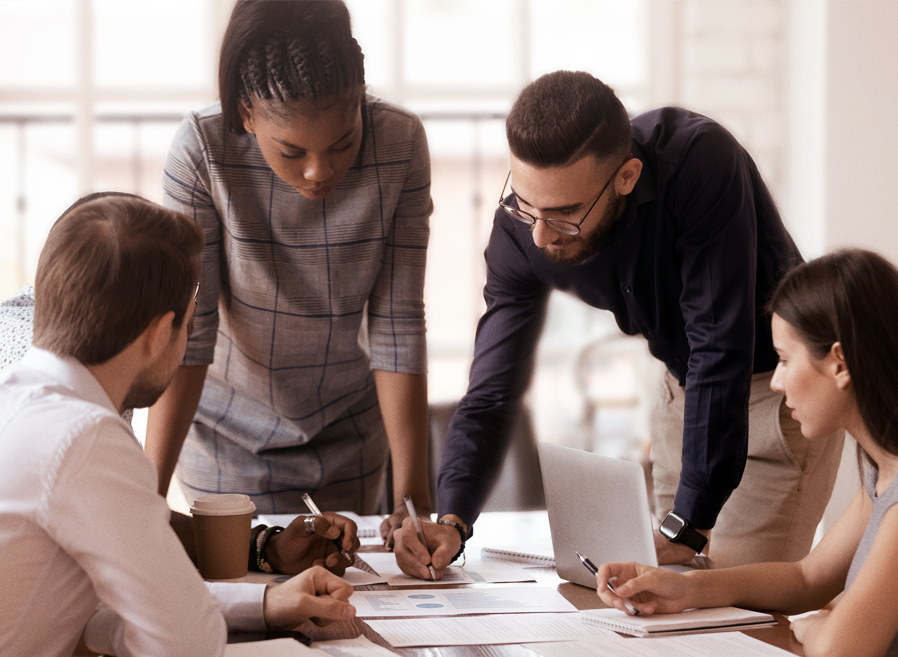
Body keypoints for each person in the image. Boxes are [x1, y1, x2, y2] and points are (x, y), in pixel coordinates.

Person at [394, 70, 844, 579]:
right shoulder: (520, 231)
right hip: (683, 392)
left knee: (739, 603)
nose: (540, 236)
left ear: (626, 177)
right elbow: (491, 390)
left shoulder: (699, 161)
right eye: (525, 203)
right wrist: (453, 520)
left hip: (777, 395)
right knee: (671, 601)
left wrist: (687, 526)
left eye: (564, 213)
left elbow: (719, 345)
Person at [0, 193, 357, 657]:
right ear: (157, 334)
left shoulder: (22, 400)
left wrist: (265, 603)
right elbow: (187, 643)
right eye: (189, 323)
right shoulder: (84, 436)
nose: (188, 340)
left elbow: (87, 613)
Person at [146, 0, 433, 540]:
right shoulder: (202, 150)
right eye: (291, 151)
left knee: (344, 583)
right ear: (246, 112)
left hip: (350, 434)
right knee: (245, 579)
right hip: (228, 438)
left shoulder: (400, 143)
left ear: (360, 98)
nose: (319, 171)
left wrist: (413, 505)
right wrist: (146, 497)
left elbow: (397, 323)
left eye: (343, 143)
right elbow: (192, 330)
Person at [595, 249, 898, 657]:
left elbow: (839, 649)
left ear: (839, 364)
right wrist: (685, 588)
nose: (776, 382)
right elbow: (807, 579)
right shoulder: (879, 468)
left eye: (785, 360)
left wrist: (822, 626)